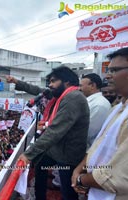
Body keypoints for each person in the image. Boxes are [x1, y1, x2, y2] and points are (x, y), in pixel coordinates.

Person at [8, 66, 90, 200]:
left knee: (68, 192)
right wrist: (17, 82)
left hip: (68, 154)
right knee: (40, 162)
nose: (50, 85)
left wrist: (28, 155)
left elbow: (54, 131)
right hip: (57, 148)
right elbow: (37, 90)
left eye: (53, 81)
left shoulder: (73, 97)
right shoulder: (62, 94)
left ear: (67, 82)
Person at [71, 47, 128, 200]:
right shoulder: (118, 109)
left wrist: (80, 179)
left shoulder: (103, 105)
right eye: (109, 70)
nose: (108, 76)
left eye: (115, 70)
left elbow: (115, 177)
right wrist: (80, 169)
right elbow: (98, 144)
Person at [79, 73, 111, 148]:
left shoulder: (99, 105)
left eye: (81, 86)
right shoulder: (91, 102)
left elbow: (88, 132)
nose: (79, 89)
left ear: (92, 86)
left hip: (90, 148)